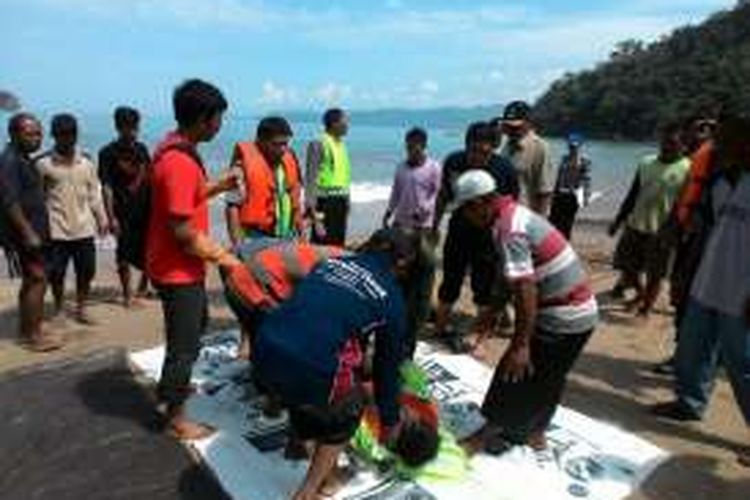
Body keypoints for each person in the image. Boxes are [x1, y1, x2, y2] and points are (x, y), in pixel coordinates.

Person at [252, 230, 425, 499]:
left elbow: (316, 314)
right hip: (304, 367)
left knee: (309, 382)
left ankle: (300, 444)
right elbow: (386, 369)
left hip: (263, 349)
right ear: (402, 263)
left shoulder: (330, 263)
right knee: (344, 413)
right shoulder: (391, 299)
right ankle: (311, 490)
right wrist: (389, 420)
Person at [454, 170, 597, 453]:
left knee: (513, 374)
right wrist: (490, 314)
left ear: (480, 203)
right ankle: (536, 432)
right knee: (550, 375)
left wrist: (520, 345)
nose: (466, 218)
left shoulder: (509, 230)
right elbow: (507, 278)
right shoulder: (513, 213)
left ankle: (481, 438)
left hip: (562, 314)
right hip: (583, 313)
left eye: (465, 210)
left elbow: (524, 290)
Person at [650, 116, 750, 467]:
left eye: (728, 140)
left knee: (743, 364)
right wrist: (684, 273)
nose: (717, 146)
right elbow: (703, 228)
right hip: (708, 280)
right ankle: (689, 403)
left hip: (743, 293)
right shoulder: (719, 180)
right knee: (693, 348)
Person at [145, 79, 242, 440]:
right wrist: (226, 258)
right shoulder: (178, 162)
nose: (220, 126)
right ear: (203, 118)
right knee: (184, 344)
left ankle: (173, 390)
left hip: (178, 265)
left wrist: (218, 185)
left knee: (194, 327)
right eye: (218, 118)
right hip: (176, 270)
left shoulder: (176, 148)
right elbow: (184, 234)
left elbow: (186, 198)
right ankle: (175, 417)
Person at [432, 122, 519, 352]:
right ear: (465, 145)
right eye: (473, 150)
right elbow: (443, 195)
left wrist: (507, 240)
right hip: (458, 231)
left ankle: (481, 333)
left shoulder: (504, 169)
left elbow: (511, 207)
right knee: (451, 278)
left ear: (494, 148)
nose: (477, 157)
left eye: (484, 152)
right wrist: (435, 225)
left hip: (488, 237)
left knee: (484, 284)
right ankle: (440, 325)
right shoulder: (454, 161)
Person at [608, 123, 690, 317]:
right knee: (626, 266)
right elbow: (632, 194)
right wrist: (618, 220)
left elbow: (686, 204)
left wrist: (676, 231)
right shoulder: (646, 162)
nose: (667, 146)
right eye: (664, 142)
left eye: (672, 143)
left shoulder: (688, 168)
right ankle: (642, 294)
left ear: (682, 145)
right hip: (636, 224)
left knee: (656, 273)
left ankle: (644, 309)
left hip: (663, 230)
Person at [37, 114, 108, 325]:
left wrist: (102, 219)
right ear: (54, 136)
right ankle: (59, 308)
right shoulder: (43, 164)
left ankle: (82, 308)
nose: (67, 139)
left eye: (71, 134)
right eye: (62, 135)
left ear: (76, 135)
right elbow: (38, 199)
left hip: (84, 229)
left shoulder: (86, 162)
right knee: (56, 274)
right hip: (56, 229)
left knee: (87, 271)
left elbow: (94, 194)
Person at [222, 237, 345, 359]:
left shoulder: (334, 258)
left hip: (240, 279)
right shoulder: (334, 266)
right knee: (278, 339)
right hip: (248, 281)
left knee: (262, 339)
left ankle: (253, 359)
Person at [0, 113, 63, 351]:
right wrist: (28, 232)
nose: (37, 138)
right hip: (26, 234)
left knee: (31, 280)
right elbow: (10, 202)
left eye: (39, 133)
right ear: (14, 134)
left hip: (34, 231)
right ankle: (33, 336)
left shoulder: (22, 158)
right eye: (30, 134)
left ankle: (28, 327)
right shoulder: (9, 162)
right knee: (38, 280)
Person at [382, 127, 441, 357]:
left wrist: (425, 209)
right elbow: (396, 191)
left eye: (414, 148)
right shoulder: (401, 167)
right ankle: (399, 317)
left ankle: (418, 320)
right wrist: (389, 211)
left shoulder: (434, 167)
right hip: (401, 227)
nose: (410, 152)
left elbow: (438, 194)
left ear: (423, 146)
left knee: (424, 276)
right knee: (400, 275)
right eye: (407, 147)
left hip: (424, 230)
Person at [98, 106, 151, 307]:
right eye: (127, 127)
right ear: (118, 127)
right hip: (122, 211)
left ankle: (143, 286)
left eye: (135, 127)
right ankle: (128, 294)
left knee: (149, 250)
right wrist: (111, 217)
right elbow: (107, 186)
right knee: (123, 253)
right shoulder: (107, 153)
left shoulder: (142, 149)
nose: (132, 131)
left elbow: (150, 177)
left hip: (146, 209)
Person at [225, 116, 304, 246]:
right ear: (260, 141)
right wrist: (238, 247)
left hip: (288, 236)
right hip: (256, 237)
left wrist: (301, 234)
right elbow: (232, 208)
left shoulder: (289, 159)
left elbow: (295, 199)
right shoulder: (241, 166)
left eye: (285, 144)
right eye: (276, 144)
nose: (283, 149)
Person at [305, 108, 352, 246]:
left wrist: (348, 200)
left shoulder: (342, 146)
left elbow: (344, 176)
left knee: (337, 244)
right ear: (334, 123)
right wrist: (314, 216)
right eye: (345, 121)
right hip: (324, 203)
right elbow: (310, 180)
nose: (347, 125)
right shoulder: (318, 143)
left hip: (340, 202)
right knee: (321, 244)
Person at [499, 101, 554, 216]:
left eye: (516, 126)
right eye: (509, 126)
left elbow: (545, 191)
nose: (512, 129)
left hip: (527, 216)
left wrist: (539, 224)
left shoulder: (540, 147)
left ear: (528, 123)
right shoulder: (506, 146)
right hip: (506, 214)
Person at [549, 133, 592, 239]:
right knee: (553, 220)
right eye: (571, 146)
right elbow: (559, 177)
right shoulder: (564, 158)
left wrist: (585, 197)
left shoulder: (584, 161)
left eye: (575, 146)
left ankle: (564, 245)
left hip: (573, 196)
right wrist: (553, 193)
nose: (572, 148)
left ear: (579, 146)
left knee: (567, 223)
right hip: (560, 194)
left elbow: (586, 180)